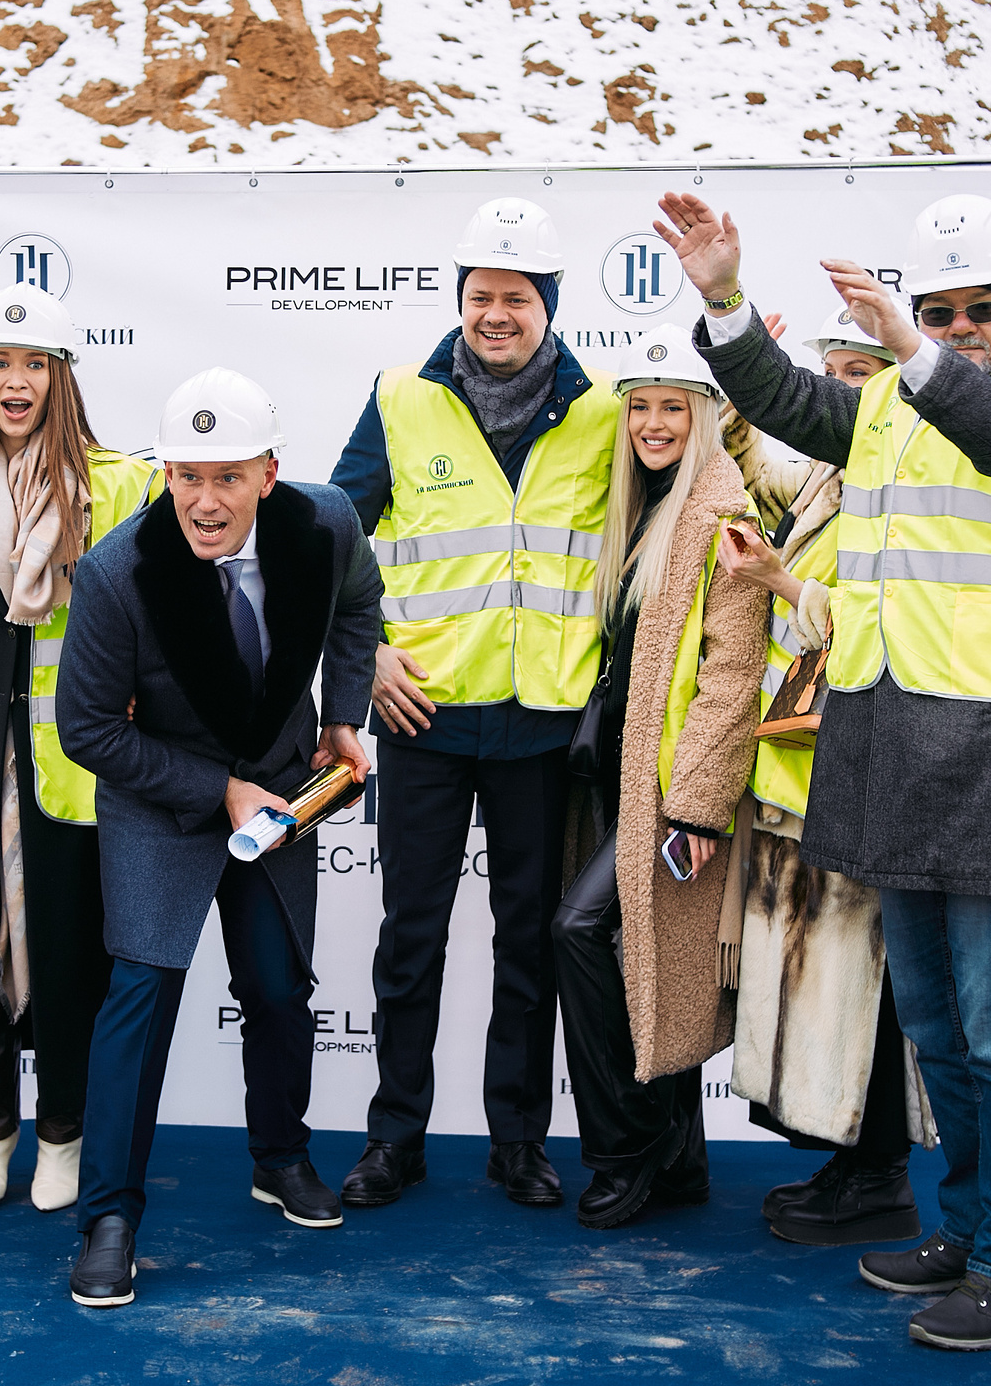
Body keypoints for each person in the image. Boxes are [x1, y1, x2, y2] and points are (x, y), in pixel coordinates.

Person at [663, 189, 991, 1350]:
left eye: (979, 311)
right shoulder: (888, 405)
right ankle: (967, 1231)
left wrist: (916, 352)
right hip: (893, 742)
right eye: (939, 311)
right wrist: (724, 299)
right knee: (937, 1024)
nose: (959, 329)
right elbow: (782, 397)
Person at [54, 368, 381, 1308]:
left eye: (228, 477)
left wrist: (343, 713)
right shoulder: (116, 572)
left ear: (268, 474)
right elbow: (88, 731)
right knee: (139, 996)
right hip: (161, 798)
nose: (204, 500)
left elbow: (359, 604)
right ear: (165, 474)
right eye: (187, 476)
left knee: (278, 987)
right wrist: (220, 790)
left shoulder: (326, 523)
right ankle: (108, 1217)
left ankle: (279, 1157)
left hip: (279, 787)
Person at [331, 198, 612, 1212]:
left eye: (517, 298)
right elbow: (331, 539)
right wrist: (366, 657)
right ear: (459, 299)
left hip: (542, 724)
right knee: (411, 938)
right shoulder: (401, 397)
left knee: (528, 945)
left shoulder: (604, 410)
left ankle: (518, 1143)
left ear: (549, 306)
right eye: (481, 295)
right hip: (427, 719)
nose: (496, 314)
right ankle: (393, 1139)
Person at [0, 287, 156, 1213]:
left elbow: (152, 616)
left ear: (62, 378)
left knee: (63, 949)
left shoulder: (117, 483)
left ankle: (61, 1131)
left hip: (74, 759)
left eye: (36, 364)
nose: (17, 381)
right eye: (0, 363)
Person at [716, 333, 936, 1247]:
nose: (840, 392)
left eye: (860, 375)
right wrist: (740, 387)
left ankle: (880, 1175)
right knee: (823, 986)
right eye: (830, 375)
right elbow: (750, 465)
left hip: (860, 772)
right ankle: (852, 1164)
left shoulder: (908, 486)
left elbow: (900, 622)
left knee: (864, 983)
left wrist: (781, 580)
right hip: (801, 770)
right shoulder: (826, 474)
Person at [551, 325, 767, 1230]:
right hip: (621, 778)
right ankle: (680, 1159)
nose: (652, 422)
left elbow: (733, 670)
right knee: (642, 964)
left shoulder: (720, 512)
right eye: (639, 405)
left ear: (704, 415)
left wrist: (699, 806)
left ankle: (624, 1149)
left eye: (672, 406)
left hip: (673, 794)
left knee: (581, 930)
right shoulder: (639, 505)